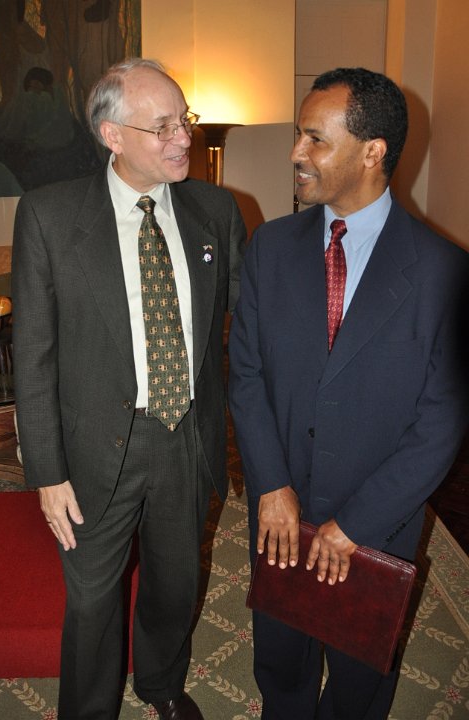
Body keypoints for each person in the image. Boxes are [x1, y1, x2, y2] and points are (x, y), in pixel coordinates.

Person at [228, 67, 468, 720]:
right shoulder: (270, 247)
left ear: (372, 151)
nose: (295, 153)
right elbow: (246, 372)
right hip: (280, 507)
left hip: (377, 524)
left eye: (315, 139)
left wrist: (357, 524)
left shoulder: (444, 272)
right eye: (298, 135)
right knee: (281, 656)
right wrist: (272, 484)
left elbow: (441, 424)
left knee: (361, 675)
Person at [12, 57, 246, 720]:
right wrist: (47, 472)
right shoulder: (50, 216)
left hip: (185, 436)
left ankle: (162, 686)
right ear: (112, 135)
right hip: (92, 445)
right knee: (92, 599)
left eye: (184, 121)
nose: (183, 138)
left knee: (175, 583)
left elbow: (247, 319)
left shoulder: (215, 210)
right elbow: (33, 357)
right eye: (162, 126)